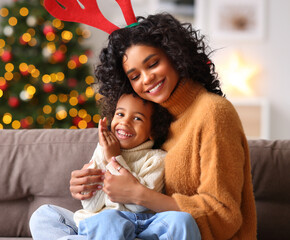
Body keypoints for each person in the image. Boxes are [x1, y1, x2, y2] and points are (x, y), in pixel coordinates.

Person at [69, 13, 257, 239]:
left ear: (175, 55)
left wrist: (139, 195)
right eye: (135, 76)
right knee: (48, 216)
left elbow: (222, 215)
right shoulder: (155, 122)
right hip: (143, 230)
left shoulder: (213, 112)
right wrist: (86, 185)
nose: (146, 79)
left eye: (153, 64)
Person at [29, 91, 180, 240]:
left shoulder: (156, 159)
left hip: (129, 226)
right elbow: (91, 206)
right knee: (43, 214)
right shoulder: (102, 150)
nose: (125, 122)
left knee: (109, 219)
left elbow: (137, 206)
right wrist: (103, 154)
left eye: (137, 118)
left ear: (152, 131)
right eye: (120, 114)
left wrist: (114, 158)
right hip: (92, 224)